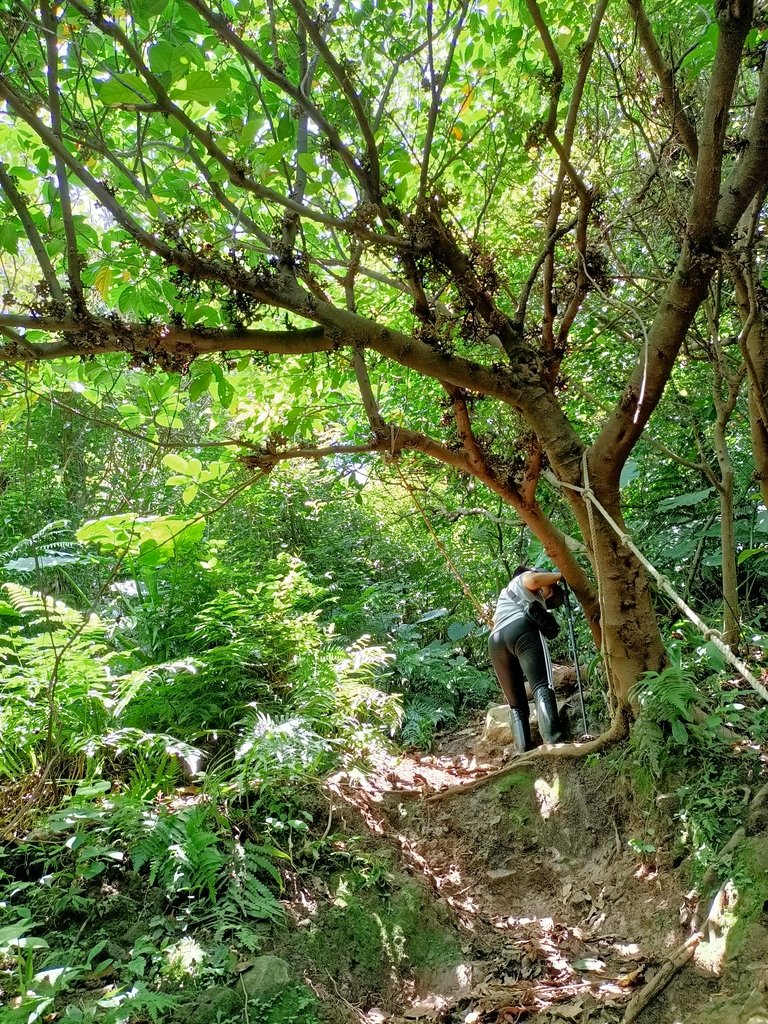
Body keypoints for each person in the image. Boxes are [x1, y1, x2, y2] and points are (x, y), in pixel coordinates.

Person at [488, 565, 565, 751]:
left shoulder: (505, 595)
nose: (548, 593)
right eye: (549, 589)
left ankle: (524, 751)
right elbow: (533, 580)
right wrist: (559, 575)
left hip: (495, 642)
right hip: (521, 629)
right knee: (542, 685)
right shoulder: (523, 578)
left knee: (515, 702)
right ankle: (553, 743)